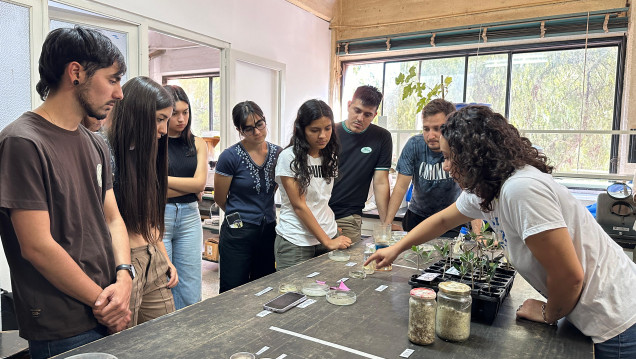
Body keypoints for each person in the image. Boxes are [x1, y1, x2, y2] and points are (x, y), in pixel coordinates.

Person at [366, 105, 636, 358]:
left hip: (616, 321)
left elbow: (570, 275)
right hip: (593, 316)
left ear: (474, 155)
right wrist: (396, 248)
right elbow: (441, 222)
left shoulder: (521, 189)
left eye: (449, 157)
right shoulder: (488, 190)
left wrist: (547, 312)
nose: (445, 166)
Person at [0, 26, 132, 358]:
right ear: (76, 73)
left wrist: (124, 277)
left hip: (107, 302)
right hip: (64, 321)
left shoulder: (94, 144)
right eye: (113, 79)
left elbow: (113, 217)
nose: (119, 94)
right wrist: (103, 301)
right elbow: (37, 246)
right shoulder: (23, 142)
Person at [106, 76, 178, 327]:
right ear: (136, 113)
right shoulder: (105, 153)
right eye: (159, 119)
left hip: (153, 255)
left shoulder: (147, 153)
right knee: (125, 345)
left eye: (166, 120)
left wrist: (164, 256)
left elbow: (148, 215)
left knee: (165, 338)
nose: (164, 130)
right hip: (123, 264)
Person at [274, 99, 352, 271]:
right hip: (296, 240)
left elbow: (322, 198)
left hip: (328, 234)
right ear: (301, 130)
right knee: (293, 296)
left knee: (329, 292)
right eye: (315, 130)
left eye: (327, 128)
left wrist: (329, 227)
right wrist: (328, 241)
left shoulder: (330, 156)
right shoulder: (289, 157)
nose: (322, 136)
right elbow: (299, 205)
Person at [383, 99, 480, 236]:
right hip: (417, 217)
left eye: (437, 129)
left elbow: (472, 192)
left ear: (450, 127)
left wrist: (478, 235)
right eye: (426, 129)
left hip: (451, 218)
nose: (431, 136)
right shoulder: (414, 145)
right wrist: (386, 225)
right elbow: (400, 187)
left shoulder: (461, 148)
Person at [214, 101, 281, 292]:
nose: (257, 132)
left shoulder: (278, 153)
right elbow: (220, 198)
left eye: (260, 124)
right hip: (238, 233)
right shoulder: (230, 156)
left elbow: (272, 189)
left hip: (268, 229)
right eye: (249, 129)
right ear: (239, 130)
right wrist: (240, 215)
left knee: (264, 287)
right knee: (233, 290)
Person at [161, 85, 207, 309]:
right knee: (164, 282)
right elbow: (149, 191)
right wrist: (190, 188)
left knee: (190, 285)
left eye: (185, 112)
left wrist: (160, 180)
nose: (181, 119)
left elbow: (200, 184)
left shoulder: (198, 143)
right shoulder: (155, 142)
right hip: (159, 217)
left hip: (190, 217)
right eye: (175, 113)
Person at [329, 85, 392, 243]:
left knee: (346, 267)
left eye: (367, 114)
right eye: (357, 110)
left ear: (375, 115)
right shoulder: (328, 133)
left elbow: (381, 182)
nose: (360, 118)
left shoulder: (382, 138)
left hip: (349, 216)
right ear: (349, 105)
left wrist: (386, 223)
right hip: (317, 214)